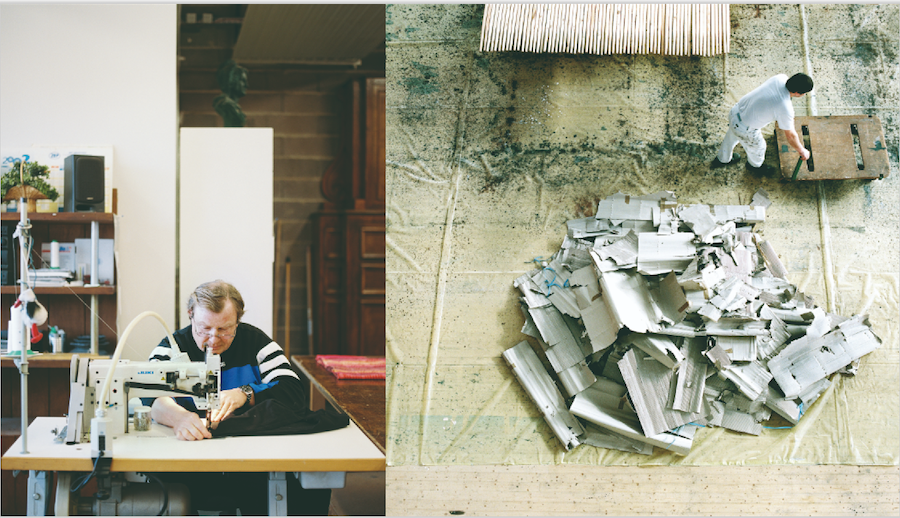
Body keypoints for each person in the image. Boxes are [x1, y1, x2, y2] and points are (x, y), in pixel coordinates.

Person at [147, 280, 330, 515]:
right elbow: (150, 396)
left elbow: (293, 391)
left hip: (252, 462)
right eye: (204, 329)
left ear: (238, 321)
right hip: (189, 463)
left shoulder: (256, 342)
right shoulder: (171, 348)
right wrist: (179, 418)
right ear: (190, 315)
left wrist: (245, 394)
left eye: (224, 330)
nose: (213, 340)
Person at [711, 73, 814, 175]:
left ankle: (723, 159)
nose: (804, 95)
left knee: (731, 136)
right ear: (797, 92)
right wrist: (801, 150)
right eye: (804, 93)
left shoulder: (780, 78)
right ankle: (754, 166)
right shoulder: (785, 108)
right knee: (759, 148)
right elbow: (790, 135)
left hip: (736, 112)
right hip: (744, 128)